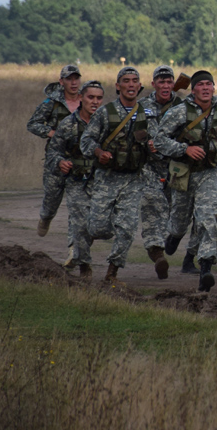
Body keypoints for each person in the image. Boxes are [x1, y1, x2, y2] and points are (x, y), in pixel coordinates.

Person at [154, 71, 217, 292]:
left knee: (208, 217)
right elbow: (159, 140)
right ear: (194, 89)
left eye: (210, 84)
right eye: (201, 85)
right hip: (184, 173)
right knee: (180, 220)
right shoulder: (179, 112)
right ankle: (174, 236)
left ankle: (206, 267)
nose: (206, 88)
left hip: (210, 173)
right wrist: (185, 149)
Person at [78, 67, 158, 284]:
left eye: (135, 81)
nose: (131, 85)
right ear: (118, 86)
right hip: (107, 178)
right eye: (126, 81)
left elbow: (157, 144)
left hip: (134, 179)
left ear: (140, 86)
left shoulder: (148, 114)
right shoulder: (105, 113)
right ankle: (81, 249)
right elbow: (86, 141)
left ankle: (112, 272)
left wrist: (154, 147)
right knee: (98, 228)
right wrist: (99, 153)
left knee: (128, 228)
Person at [52, 80, 104, 278]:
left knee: (99, 226)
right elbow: (53, 151)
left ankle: (79, 251)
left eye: (99, 98)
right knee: (81, 222)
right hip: (76, 180)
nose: (95, 102)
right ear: (81, 98)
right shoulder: (68, 124)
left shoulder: (107, 123)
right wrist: (60, 162)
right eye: (91, 97)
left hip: (101, 181)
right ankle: (84, 266)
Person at [26, 64, 80, 242]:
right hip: (55, 159)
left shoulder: (86, 101)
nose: (73, 83)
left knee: (78, 206)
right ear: (61, 81)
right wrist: (51, 132)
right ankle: (46, 218)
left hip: (79, 160)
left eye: (76, 78)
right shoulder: (51, 102)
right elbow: (33, 124)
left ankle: (75, 247)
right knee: (51, 200)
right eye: (69, 79)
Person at [142, 65, 186, 277]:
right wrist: (145, 144)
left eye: (169, 81)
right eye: (161, 82)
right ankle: (157, 253)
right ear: (154, 84)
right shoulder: (141, 107)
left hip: (176, 167)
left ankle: (171, 239)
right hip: (150, 167)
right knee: (153, 205)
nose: (166, 85)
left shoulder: (183, 106)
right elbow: (132, 133)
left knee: (176, 211)